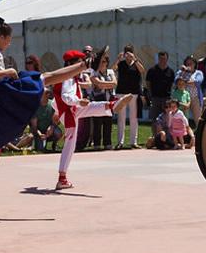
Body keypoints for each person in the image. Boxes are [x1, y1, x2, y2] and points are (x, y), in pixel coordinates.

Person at [0, 16, 91, 216]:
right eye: (7, 39)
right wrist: (8, 71)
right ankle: (83, 66)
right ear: (0, 37)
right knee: (42, 79)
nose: (9, 43)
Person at [52, 49, 134, 190]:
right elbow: (66, 97)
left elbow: (58, 97)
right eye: (79, 63)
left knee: (90, 107)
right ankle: (62, 178)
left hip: (70, 110)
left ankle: (112, 105)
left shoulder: (70, 77)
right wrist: (78, 101)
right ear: (72, 64)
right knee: (70, 144)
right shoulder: (69, 78)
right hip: (69, 111)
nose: (81, 66)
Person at [114, 44, 145, 149]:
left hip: (134, 93)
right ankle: (120, 142)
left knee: (133, 118)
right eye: (126, 51)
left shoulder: (136, 63)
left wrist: (135, 60)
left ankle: (133, 141)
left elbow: (142, 71)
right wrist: (118, 59)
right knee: (121, 118)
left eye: (130, 51)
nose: (128, 54)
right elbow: (113, 69)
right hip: (121, 92)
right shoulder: (121, 64)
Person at [90, 52, 117, 150]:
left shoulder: (110, 72)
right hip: (98, 99)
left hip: (109, 98)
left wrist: (104, 84)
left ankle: (107, 143)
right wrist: (107, 84)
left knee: (108, 122)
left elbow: (115, 83)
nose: (102, 63)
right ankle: (97, 144)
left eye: (104, 61)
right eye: (100, 61)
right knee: (97, 123)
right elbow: (97, 83)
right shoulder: (94, 72)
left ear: (107, 62)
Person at [145, 51, 175, 126]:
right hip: (155, 98)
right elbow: (148, 83)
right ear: (158, 59)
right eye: (160, 58)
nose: (162, 60)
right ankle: (155, 136)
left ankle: (166, 136)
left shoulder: (171, 71)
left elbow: (172, 84)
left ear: (167, 59)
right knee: (154, 119)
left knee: (167, 118)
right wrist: (150, 94)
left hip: (167, 98)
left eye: (164, 59)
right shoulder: (152, 70)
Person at [176, 56, 205, 123]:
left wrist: (185, 82)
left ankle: (199, 132)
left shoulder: (198, 73)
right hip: (183, 97)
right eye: (187, 63)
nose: (189, 64)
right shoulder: (181, 72)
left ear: (195, 64)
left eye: (191, 63)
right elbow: (176, 81)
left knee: (198, 118)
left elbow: (198, 81)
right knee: (183, 118)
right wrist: (183, 72)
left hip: (195, 98)